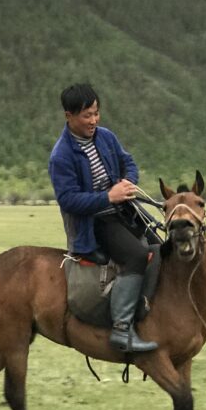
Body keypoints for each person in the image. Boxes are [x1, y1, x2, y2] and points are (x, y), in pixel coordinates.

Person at [48, 83, 157, 354]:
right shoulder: (61, 156)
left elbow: (128, 162)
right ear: (68, 116)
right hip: (94, 223)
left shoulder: (106, 137)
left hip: (122, 211)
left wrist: (127, 181)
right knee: (136, 256)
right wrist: (109, 196)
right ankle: (122, 329)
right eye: (86, 115)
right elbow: (69, 200)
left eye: (96, 113)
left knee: (161, 245)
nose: (93, 120)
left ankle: (144, 305)